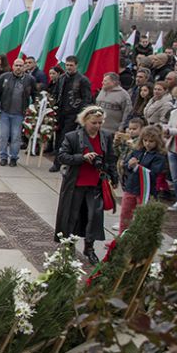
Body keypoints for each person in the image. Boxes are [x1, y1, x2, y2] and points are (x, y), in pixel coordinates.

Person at [54, 106, 116, 265]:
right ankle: (68, 247)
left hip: (96, 184)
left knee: (93, 217)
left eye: (100, 123)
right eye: (94, 122)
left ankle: (89, 248)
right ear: (85, 121)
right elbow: (62, 156)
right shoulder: (72, 137)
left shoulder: (106, 137)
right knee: (71, 217)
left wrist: (113, 177)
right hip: (76, 183)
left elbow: (110, 158)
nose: (97, 126)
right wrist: (82, 157)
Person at [119, 124, 167, 231]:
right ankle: (121, 238)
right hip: (131, 188)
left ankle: (139, 239)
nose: (147, 143)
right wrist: (129, 165)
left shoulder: (159, 156)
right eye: (145, 140)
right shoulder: (137, 151)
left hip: (146, 191)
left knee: (142, 217)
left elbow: (154, 173)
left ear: (157, 142)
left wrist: (137, 167)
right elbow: (126, 165)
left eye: (151, 141)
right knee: (125, 215)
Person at [49, 56, 93, 172]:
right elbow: (55, 93)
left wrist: (80, 116)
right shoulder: (62, 78)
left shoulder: (82, 80)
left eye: (71, 65)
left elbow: (86, 99)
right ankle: (59, 161)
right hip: (60, 113)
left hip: (73, 115)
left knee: (65, 138)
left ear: (76, 65)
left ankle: (60, 163)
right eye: (67, 65)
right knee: (58, 138)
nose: (69, 67)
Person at [0, 56, 35, 167]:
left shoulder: (29, 80)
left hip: (19, 114)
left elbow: (35, 96)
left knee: (16, 137)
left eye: (21, 66)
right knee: (3, 136)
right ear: (13, 66)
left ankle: (14, 157)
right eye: (16, 65)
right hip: (5, 112)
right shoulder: (4, 77)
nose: (18, 68)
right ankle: (3, 157)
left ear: (24, 67)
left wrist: (33, 111)